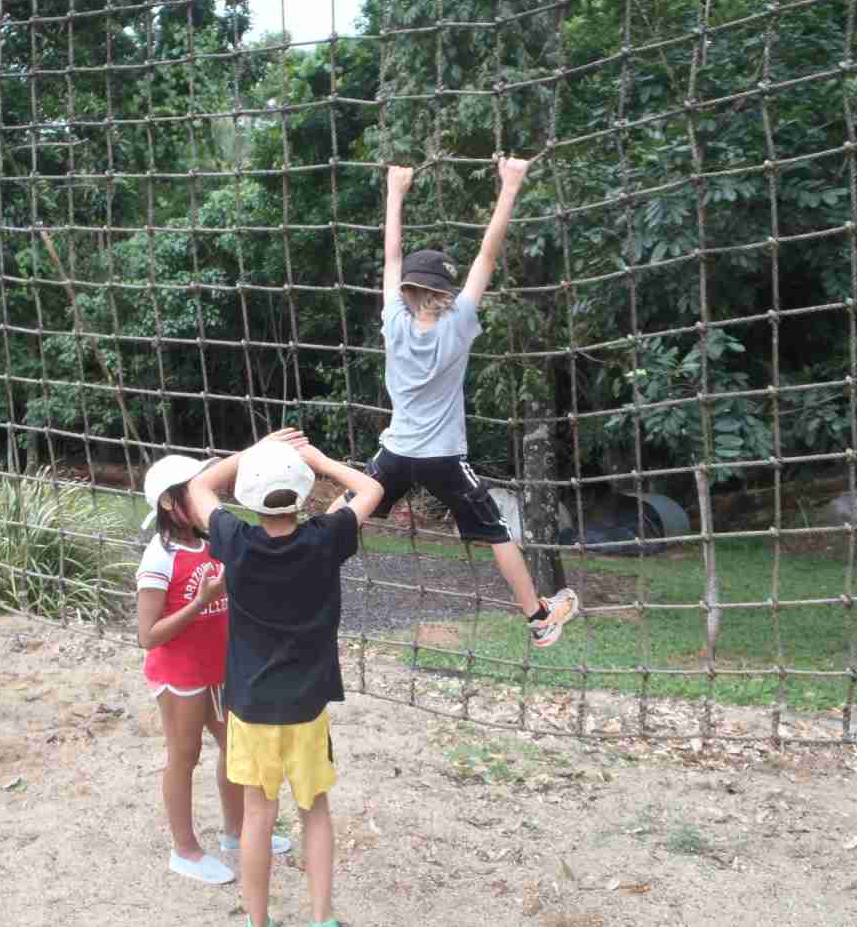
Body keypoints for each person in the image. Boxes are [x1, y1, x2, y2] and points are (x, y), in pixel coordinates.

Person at [347, 158, 580, 648]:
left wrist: (395, 192)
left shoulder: (393, 321)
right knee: (496, 532)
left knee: (349, 513)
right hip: (444, 458)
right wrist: (510, 185)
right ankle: (539, 617)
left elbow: (391, 258)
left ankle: (289, 571)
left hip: (396, 453)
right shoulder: (458, 325)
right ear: (446, 295)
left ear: (407, 290)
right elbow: (487, 257)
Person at [187, 429, 385, 927]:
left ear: (249, 496)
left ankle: (259, 922)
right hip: (307, 705)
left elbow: (198, 489)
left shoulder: (235, 541)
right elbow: (372, 490)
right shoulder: (326, 537)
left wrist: (246, 453)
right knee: (314, 809)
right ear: (304, 491)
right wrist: (319, 459)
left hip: (251, 706)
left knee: (258, 814)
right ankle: (321, 920)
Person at [136, 453, 292, 885]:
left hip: (222, 667)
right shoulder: (159, 557)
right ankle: (184, 850)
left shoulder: (211, 540)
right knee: (184, 757)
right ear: (170, 503)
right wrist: (200, 603)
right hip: (180, 672)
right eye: (196, 488)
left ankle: (235, 831)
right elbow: (147, 635)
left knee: (236, 749)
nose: (209, 493)